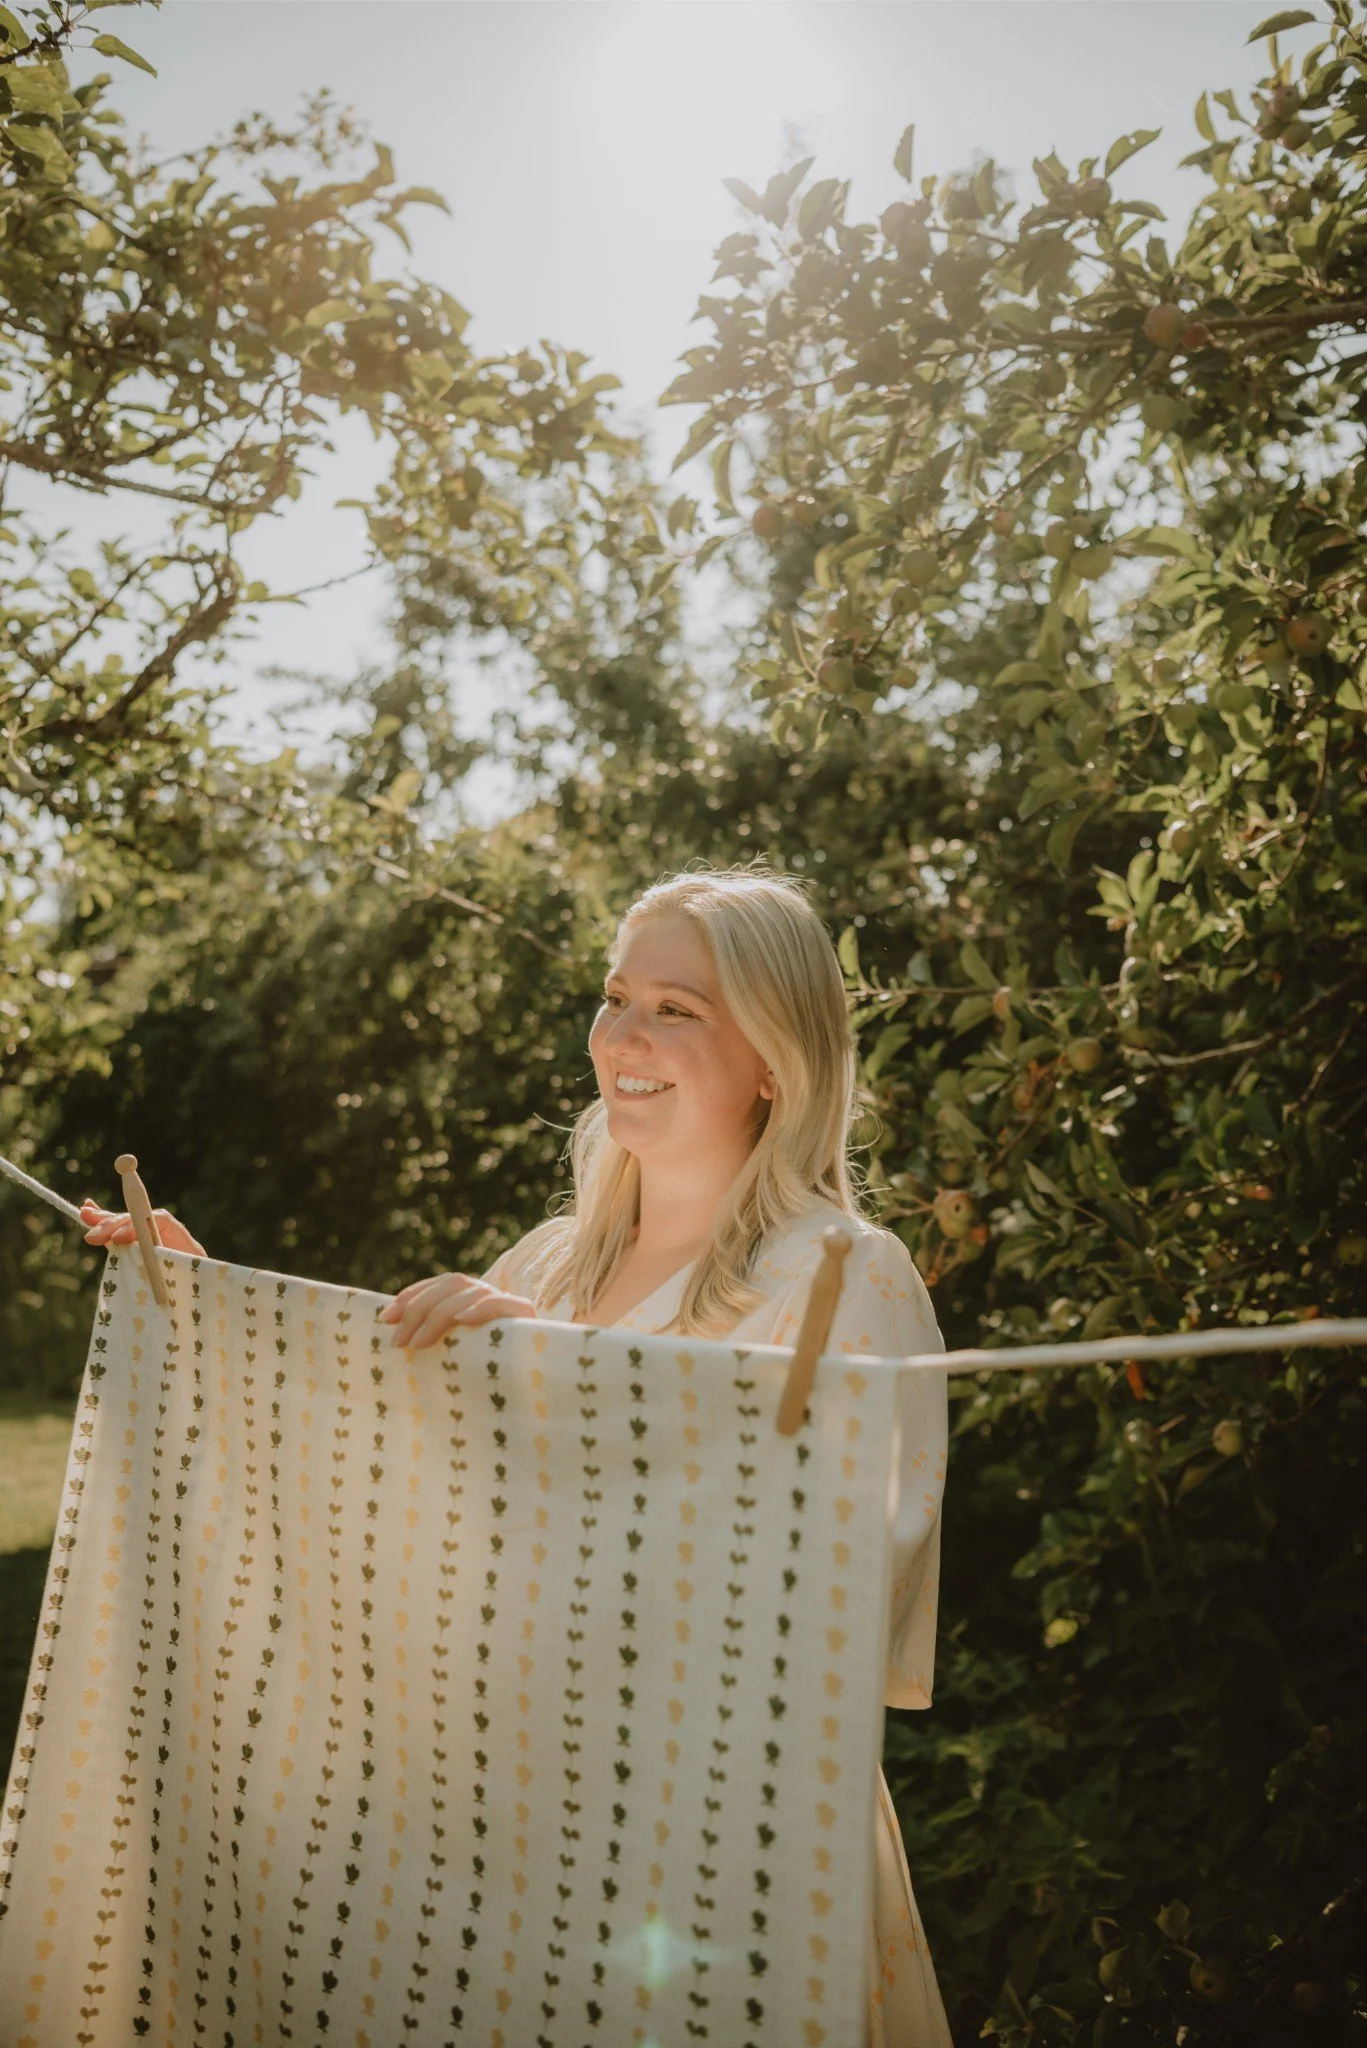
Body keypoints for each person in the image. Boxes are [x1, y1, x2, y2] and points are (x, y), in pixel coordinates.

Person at [81, 863, 953, 2048]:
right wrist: (215, 1311)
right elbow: (405, 1491)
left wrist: (575, 1395)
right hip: (513, 1841)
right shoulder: (549, 1266)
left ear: (775, 1058)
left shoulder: (841, 1275)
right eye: (615, 993)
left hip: (717, 1853)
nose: (619, 1036)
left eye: (676, 1007)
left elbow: (832, 1600)